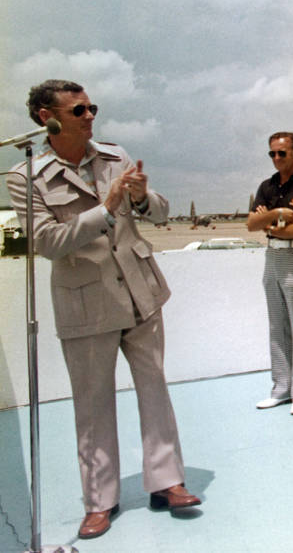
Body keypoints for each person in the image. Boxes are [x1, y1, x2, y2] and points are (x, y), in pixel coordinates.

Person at [6, 80, 201, 540]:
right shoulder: (25, 176)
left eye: (92, 107)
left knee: (155, 391)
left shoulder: (115, 156)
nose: (90, 116)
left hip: (141, 295)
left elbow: (158, 213)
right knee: (92, 406)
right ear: (45, 118)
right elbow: (44, 242)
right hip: (86, 304)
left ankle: (167, 482)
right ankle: (100, 501)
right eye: (78, 111)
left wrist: (138, 198)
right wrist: (107, 208)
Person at [247, 131, 293, 416]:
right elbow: (251, 224)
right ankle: (281, 387)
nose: (276, 158)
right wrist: (276, 216)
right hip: (273, 257)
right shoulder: (267, 186)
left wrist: (267, 223)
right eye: (272, 154)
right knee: (277, 327)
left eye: (282, 153)